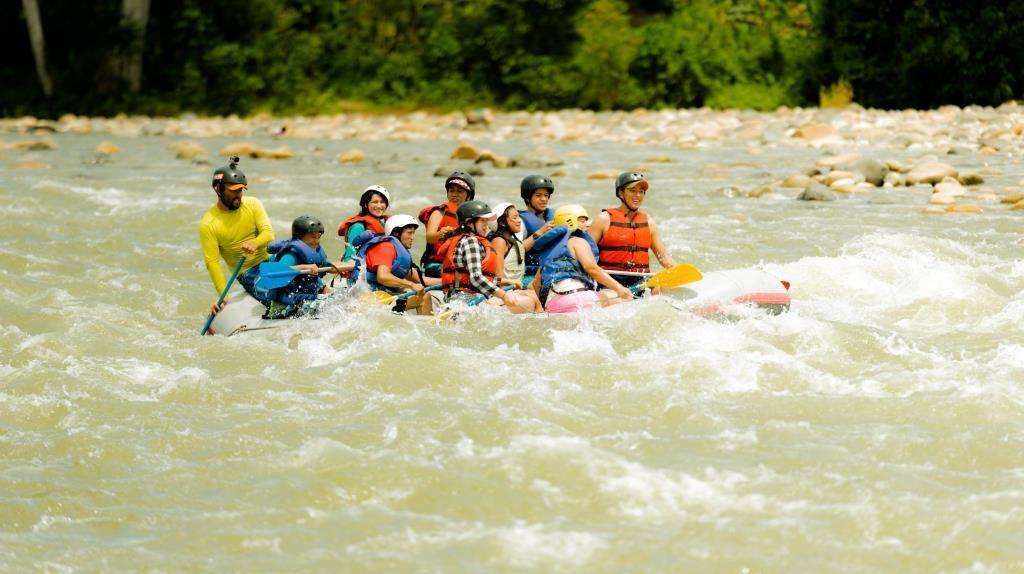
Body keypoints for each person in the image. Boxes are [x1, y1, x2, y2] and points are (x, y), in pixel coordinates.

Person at [199, 156, 274, 314]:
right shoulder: (209, 224)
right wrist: (223, 294)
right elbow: (212, 263)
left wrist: (255, 242)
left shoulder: (253, 204)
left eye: (240, 189)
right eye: (233, 191)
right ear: (219, 189)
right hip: (247, 272)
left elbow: (268, 233)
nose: (238, 195)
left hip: (271, 259)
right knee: (276, 296)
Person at [437, 200, 541, 313]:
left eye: (487, 220)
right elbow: (476, 278)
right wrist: (504, 295)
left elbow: (473, 278)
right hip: (466, 301)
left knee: (528, 297)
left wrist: (505, 282)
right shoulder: (471, 242)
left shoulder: (466, 240)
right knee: (529, 301)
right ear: (469, 223)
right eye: (482, 220)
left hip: (462, 299)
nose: (486, 224)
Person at [532, 204, 633, 314]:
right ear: (570, 221)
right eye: (582, 221)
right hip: (581, 301)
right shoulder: (577, 241)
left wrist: (541, 308)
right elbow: (592, 268)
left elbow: (536, 284)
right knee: (618, 297)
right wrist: (620, 288)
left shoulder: (549, 252)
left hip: (554, 306)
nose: (588, 224)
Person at [588, 172, 676, 291]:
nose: (638, 195)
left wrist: (679, 272)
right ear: (621, 193)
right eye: (632, 190)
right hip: (610, 282)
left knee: (669, 290)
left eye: (641, 192)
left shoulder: (649, 223)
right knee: (616, 299)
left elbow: (664, 258)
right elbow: (585, 256)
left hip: (641, 281)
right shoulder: (603, 219)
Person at [351, 214, 438, 315]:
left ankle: (425, 325)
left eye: (413, 233)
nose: (412, 238)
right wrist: (411, 285)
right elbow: (382, 277)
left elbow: (420, 281)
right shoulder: (386, 247)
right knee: (423, 298)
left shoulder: (398, 252)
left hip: (381, 294)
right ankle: (426, 327)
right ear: (396, 232)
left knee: (424, 296)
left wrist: (447, 281)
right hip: (366, 296)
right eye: (409, 233)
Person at [258, 216, 340, 319]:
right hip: (285, 306)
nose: (317, 241)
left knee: (341, 299)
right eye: (313, 237)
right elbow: (279, 272)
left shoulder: (315, 252)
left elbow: (327, 267)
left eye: (319, 237)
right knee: (332, 308)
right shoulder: (290, 255)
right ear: (300, 237)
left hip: (303, 299)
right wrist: (304, 267)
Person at [418, 171, 474, 278]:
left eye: (460, 191)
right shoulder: (439, 212)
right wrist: (441, 234)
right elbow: (430, 237)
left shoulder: (472, 218)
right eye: (451, 190)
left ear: (469, 195)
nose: (454, 194)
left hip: (461, 264)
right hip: (437, 265)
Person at [489, 202, 544, 311]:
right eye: (514, 218)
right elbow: (498, 276)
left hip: (515, 290)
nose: (519, 220)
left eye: (518, 216)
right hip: (505, 293)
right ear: (503, 223)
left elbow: (521, 249)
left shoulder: (513, 242)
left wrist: (542, 232)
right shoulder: (499, 241)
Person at [518, 174, 558, 283]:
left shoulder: (556, 216)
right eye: (538, 195)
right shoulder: (520, 222)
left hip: (554, 270)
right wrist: (540, 232)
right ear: (527, 197)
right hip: (531, 275)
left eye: (546, 195)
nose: (544, 199)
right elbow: (517, 250)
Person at [338, 184, 390, 262]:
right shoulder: (358, 227)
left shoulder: (384, 225)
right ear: (366, 204)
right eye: (375, 202)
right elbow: (349, 257)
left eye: (382, 202)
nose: (379, 206)